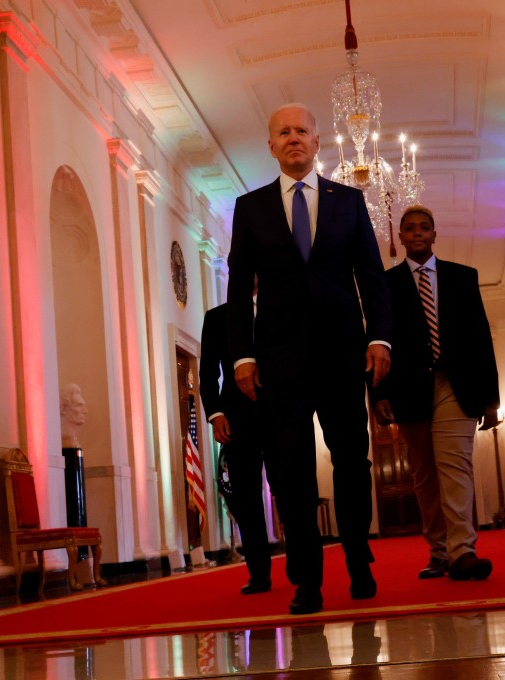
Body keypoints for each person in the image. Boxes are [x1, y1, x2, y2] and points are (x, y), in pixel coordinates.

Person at [226, 103, 392, 615]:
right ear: (271, 146)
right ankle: (308, 581)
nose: (294, 138)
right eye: (284, 132)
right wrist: (241, 357)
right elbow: (237, 290)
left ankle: (359, 562)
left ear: (318, 142)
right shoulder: (250, 208)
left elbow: (371, 274)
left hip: (343, 356)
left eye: (302, 130)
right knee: (293, 474)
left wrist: (380, 338)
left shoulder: (349, 201)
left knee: (351, 463)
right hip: (280, 362)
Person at [373, 205, 500, 581]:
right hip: (409, 389)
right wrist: (377, 391)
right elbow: (377, 338)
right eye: (409, 228)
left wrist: (491, 399)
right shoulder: (387, 284)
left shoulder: (463, 278)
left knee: (455, 464)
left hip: (456, 385)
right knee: (425, 474)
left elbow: (481, 338)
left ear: (434, 234)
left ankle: (464, 552)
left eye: (423, 227)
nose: (416, 233)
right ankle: (440, 552)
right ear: (400, 237)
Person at [200, 300, 273, 595]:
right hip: (236, 419)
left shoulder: (280, 303)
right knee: (246, 497)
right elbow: (207, 372)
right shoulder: (218, 317)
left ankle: (302, 567)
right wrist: (215, 413)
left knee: (289, 488)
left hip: (280, 412)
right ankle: (258, 573)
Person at [60, 383, 88, 448]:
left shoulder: (73, 440)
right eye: (79, 405)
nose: (85, 411)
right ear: (64, 408)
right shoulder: (62, 438)